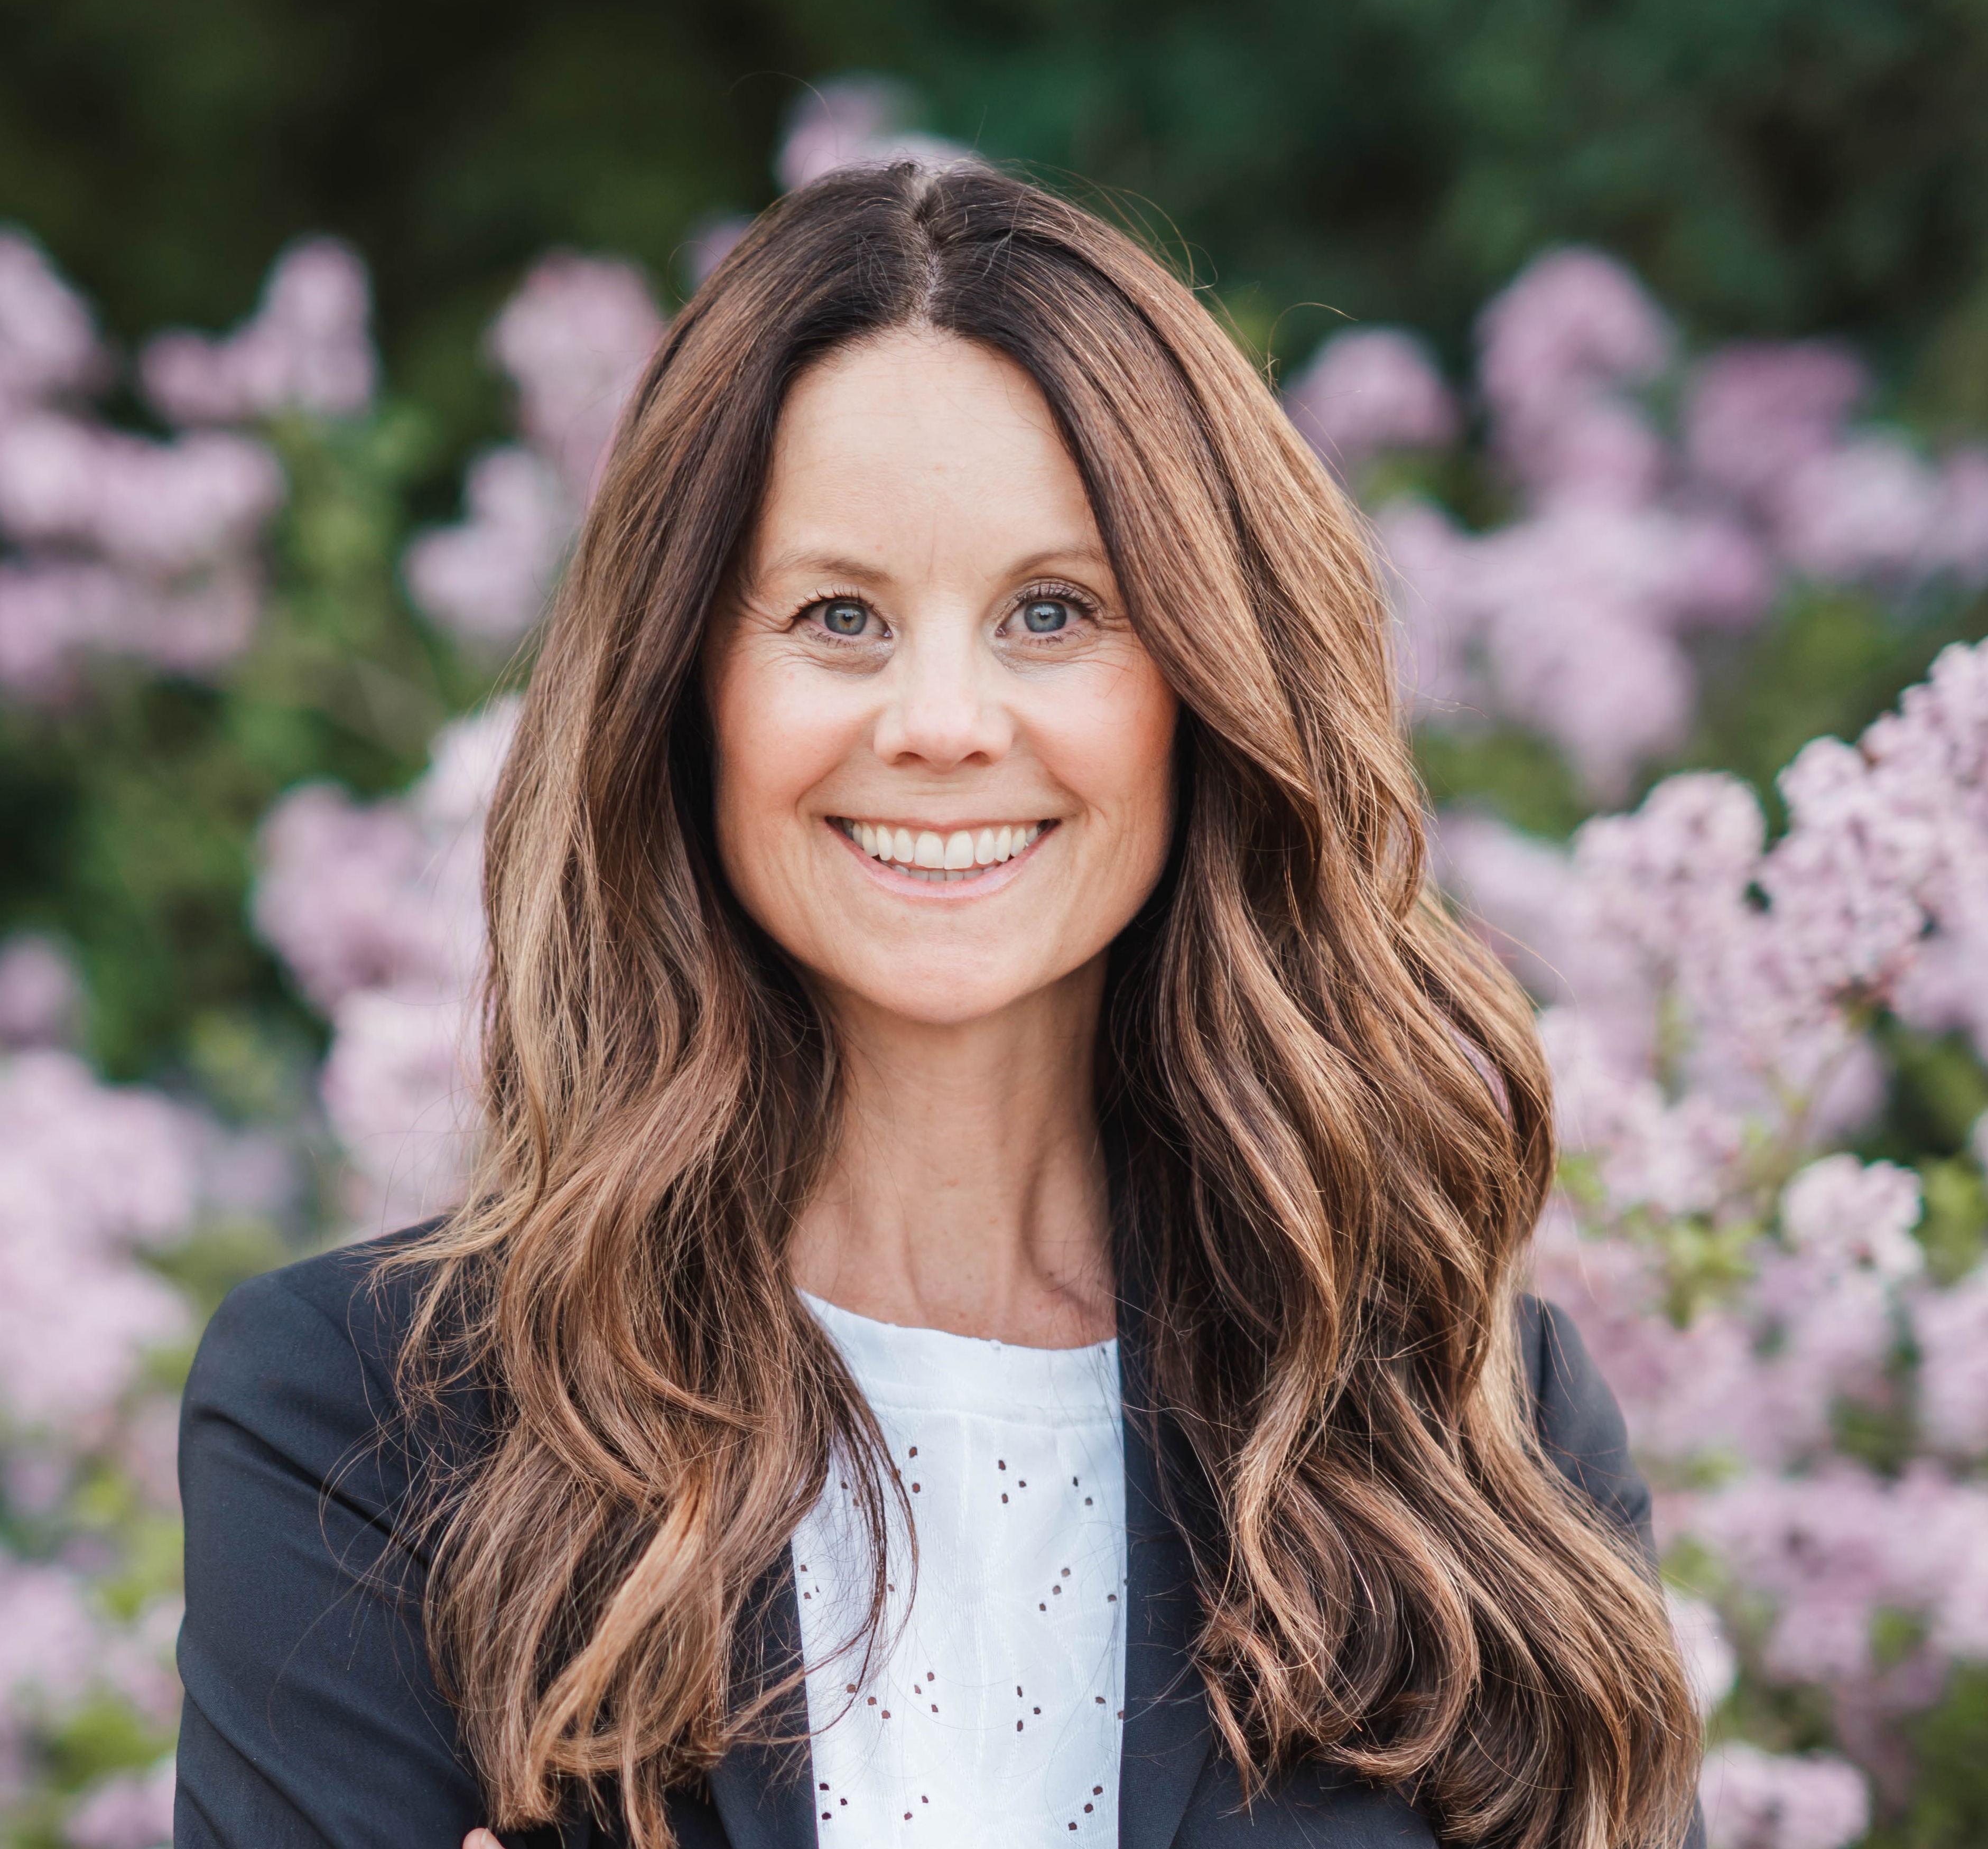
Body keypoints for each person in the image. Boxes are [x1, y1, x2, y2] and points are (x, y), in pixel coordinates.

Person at [175, 161, 1703, 1849]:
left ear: (1202, 682)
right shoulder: (362, 1428)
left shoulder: (1459, 1433)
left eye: (1053, 612)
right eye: (838, 617)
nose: (944, 719)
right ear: (687, 688)